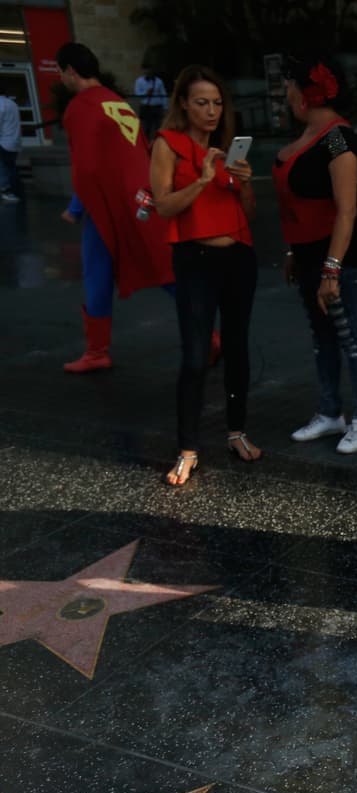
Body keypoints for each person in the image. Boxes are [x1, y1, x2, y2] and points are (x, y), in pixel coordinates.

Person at [151, 66, 259, 486]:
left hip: (238, 260)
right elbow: (162, 206)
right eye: (201, 102)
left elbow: (246, 214)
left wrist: (245, 185)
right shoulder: (168, 145)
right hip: (195, 260)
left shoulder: (227, 150)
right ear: (183, 103)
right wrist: (202, 182)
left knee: (237, 349)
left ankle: (236, 431)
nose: (211, 110)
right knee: (195, 357)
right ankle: (187, 448)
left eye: (217, 103)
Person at [274, 54, 357, 455]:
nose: (286, 94)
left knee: (350, 337)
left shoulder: (337, 136)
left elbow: (346, 209)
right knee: (323, 338)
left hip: (338, 260)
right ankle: (332, 412)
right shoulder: (310, 136)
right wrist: (294, 251)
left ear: (307, 92)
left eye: (290, 86)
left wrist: (332, 270)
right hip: (309, 256)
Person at [57, 42, 174, 373]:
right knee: (162, 268)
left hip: (108, 205)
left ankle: (97, 351)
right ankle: (208, 336)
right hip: (138, 198)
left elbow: (87, 166)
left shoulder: (79, 108)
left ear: (70, 71)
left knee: (98, 272)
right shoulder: (116, 101)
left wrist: (77, 207)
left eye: (60, 70)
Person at [134, 64, 168, 140]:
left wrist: (165, 107)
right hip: (146, 107)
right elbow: (137, 93)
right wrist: (146, 93)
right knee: (145, 128)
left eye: (150, 70)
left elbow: (163, 94)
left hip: (157, 107)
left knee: (158, 128)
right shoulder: (139, 81)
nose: (149, 72)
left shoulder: (158, 81)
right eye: (147, 70)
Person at [0, 93, 21, 202]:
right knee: (11, 167)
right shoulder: (12, 103)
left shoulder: (0, 104)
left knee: (3, 168)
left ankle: (7, 191)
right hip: (14, 142)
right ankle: (17, 191)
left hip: (4, 142)